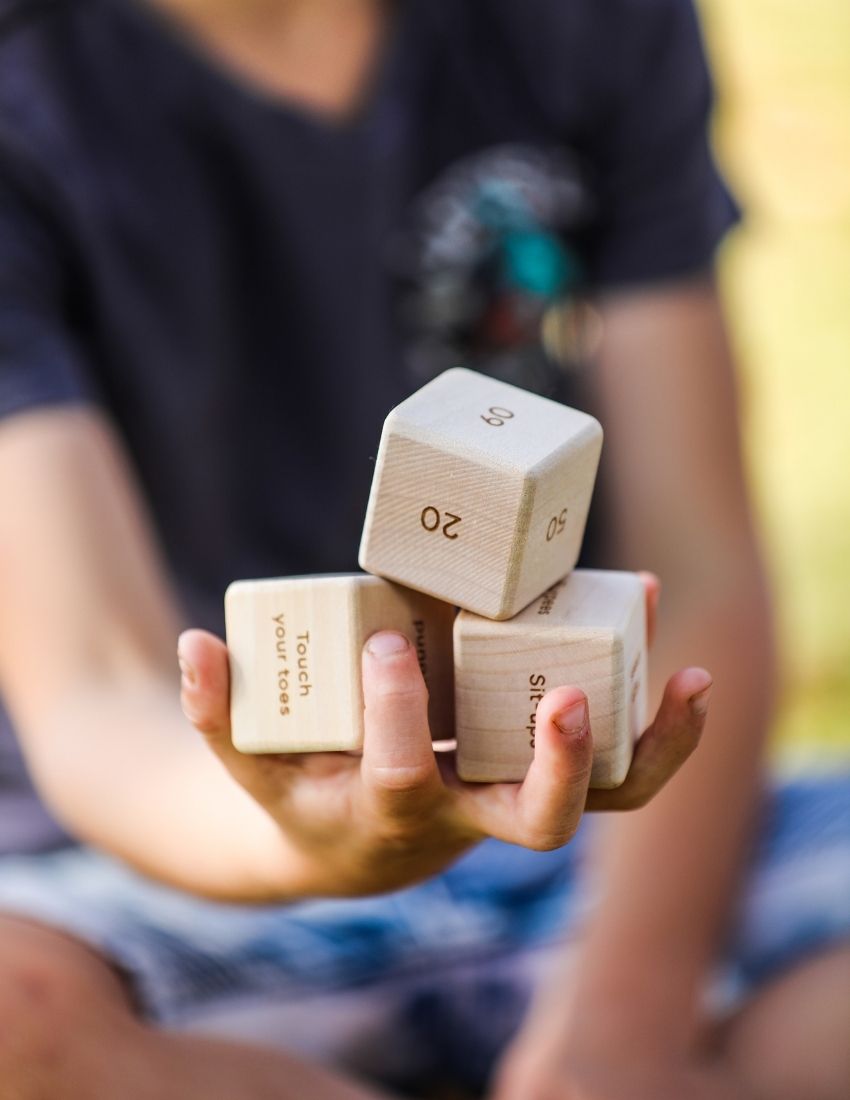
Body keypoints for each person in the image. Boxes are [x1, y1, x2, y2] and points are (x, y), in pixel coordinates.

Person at [0, 0, 847, 1097]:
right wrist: (320, 842)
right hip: (181, 864)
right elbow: (98, 695)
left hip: (600, 835)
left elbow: (694, 567)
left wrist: (622, 1022)